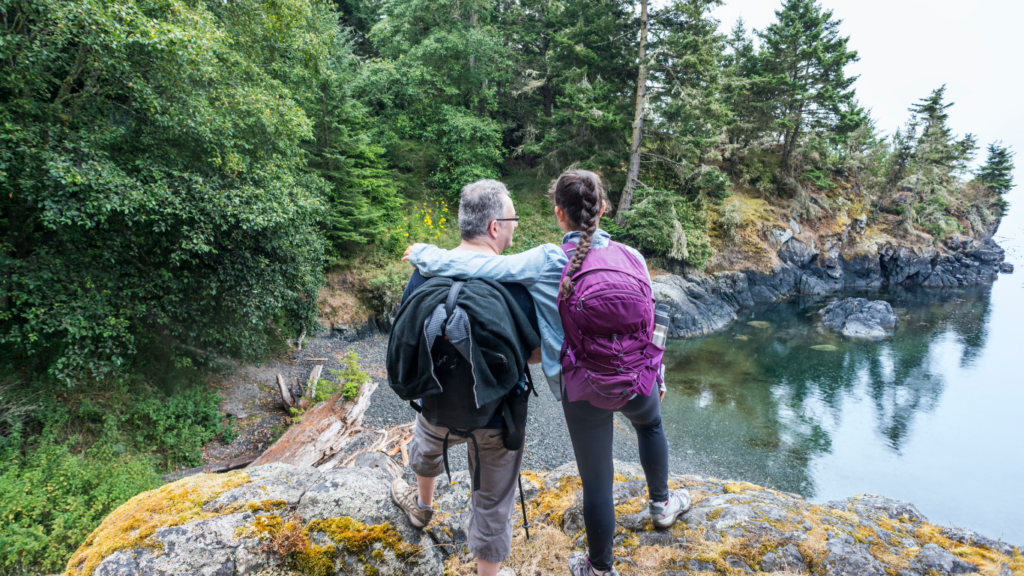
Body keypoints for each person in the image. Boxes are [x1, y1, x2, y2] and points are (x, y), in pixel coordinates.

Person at [404, 170, 690, 576]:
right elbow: (651, 323)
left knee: (597, 479)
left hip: (581, 387)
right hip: (637, 379)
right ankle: (662, 505)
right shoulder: (633, 257)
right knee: (650, 427)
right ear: (604, 209)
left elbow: (483, 266)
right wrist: (656, 375)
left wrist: (426, 255)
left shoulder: (548, 259)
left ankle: (600, 568)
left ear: (559, 214)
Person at [389, 179, 541, 576]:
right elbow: (533, 355)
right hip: (493, 418)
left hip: (434, 408)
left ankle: (422, 508)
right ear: (495, 227)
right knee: (492, 499)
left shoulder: (424, 273)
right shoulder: (514, 284)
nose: (516, 227)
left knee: (425, 444)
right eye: (514, 220)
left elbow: (407, 335)